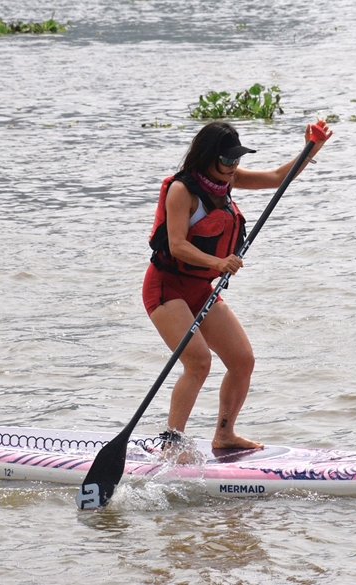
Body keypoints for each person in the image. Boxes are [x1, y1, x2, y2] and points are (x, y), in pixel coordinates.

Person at [142, 120, 333, 455]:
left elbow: (278, 178)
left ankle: (224, 436)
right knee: (199, 362)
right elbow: (177, 246)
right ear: (207, 158)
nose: (233, 167)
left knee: (242, 360)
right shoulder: (182, 191)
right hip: (166, 288)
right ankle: (172, 444)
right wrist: (219, 263)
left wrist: (310, 148)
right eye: (227, 160)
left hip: (200, 288)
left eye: (236, 160)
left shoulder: (227, 180)